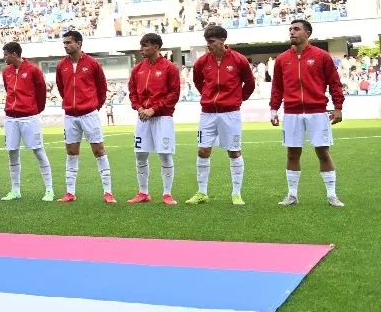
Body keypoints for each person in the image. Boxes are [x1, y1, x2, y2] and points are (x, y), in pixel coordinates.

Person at [269, 19, 345, 207]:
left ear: (308, 34)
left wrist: (338, 106)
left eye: (296, 29)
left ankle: (331, 195)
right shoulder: (282, 59)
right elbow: (277, 87)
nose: (292, 32)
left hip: (317, 111)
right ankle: (292, 195)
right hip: (292, 113)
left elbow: (334, 83)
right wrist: (273, 108)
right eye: (290, 29)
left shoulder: (322, 56)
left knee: (323, 153)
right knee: (292, 154)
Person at [187, 25, 255, 205]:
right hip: (208, 113)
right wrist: (208, 97)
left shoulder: (239, 60)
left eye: (211, 41)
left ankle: (236, 193)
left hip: (230, 113)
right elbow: (197, 81)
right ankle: (202, 192)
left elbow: (249, 83)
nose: (208, 45)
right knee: (202, 150)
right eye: (207, 42)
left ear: (222, 40)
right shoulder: (202, 62)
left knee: (234, 151)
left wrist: (237, 99)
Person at [55, 30, 114, 204]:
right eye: (64, 43)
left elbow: (101, 88)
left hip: (89, 114)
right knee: (71, 152)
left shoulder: (93, 64)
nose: (65, 46)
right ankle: (70, 192)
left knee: (99, 151)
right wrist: (69, 103)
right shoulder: (61, 65)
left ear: (79, 43)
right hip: (70, 116)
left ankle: (108, 192)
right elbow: (61, 87)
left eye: (68, 43)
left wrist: (94, 106)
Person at [127, 33, 181, 204]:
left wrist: (154, 109)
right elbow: (132, 93)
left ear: (156, 47)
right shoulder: (137, 69)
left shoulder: (170, 68)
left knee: (165, 155)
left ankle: (167, 193)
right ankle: (143, 193)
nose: (141, 48)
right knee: (140, 154)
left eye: (145, 45)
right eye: (141, 45)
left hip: (163, 118)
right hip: (142, 118)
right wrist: (140, 107)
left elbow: (174, 94)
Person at [0, 42, 54, 201]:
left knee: (38, 150)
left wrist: (34, 109)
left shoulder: (33, 70)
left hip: (29, 117)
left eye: (6, 54)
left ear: (14, 54)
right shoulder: (6, 71)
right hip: (11, 118)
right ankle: (15, 190)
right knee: (12, 152)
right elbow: (7, 89)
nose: (4, 58)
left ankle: (49, 190)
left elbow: (41, 91)